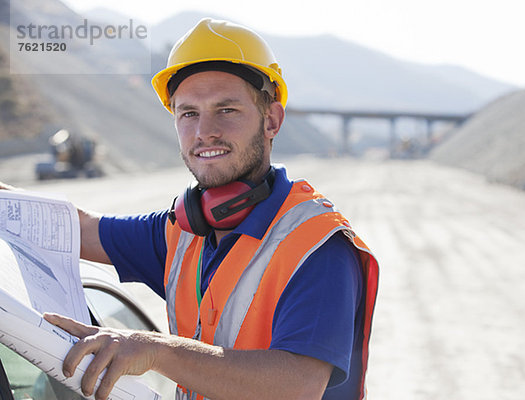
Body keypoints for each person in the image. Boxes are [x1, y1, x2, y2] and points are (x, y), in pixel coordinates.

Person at [2, 18, 379, 400]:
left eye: (226, 110)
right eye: (189, 114)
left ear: (271, 120)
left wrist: (154, 350)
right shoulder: (181, 233)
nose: (204, 132)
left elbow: (296, 386)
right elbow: (70, 228)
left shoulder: (317, 246)